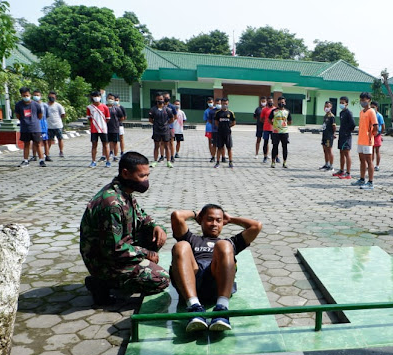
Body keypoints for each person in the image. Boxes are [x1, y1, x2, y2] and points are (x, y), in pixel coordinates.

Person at [80, 151, 170, 305]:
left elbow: (142, 217)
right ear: (126, 173)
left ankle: (129, 273)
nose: (146, 180)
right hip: (104, 260)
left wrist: (156, 226)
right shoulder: (112, 203)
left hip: (118, 250)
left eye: (147, 175)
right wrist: (145, 253)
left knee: (156, 234)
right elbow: (113, 249)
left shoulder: (125, 193)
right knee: (160, 279)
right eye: (142, 176)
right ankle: (102, 283)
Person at [170, 204, 262, 332]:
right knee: (181, 246)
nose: (214, 224)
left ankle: (222, 310)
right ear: (201, 220)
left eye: (218, 220)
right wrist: (196, 214)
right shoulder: (191, 238)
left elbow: (256, 226)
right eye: (209, 219)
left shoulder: (231, 243)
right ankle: (194, 308)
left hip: (217, 282)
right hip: (191, 282)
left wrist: (230, 219)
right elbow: (177, 216)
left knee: (224, 244)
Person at [351, 92, 378, 190]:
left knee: (369, 161)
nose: (362, 102)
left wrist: (372, 135)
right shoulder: (361, 112)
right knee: (362, 160)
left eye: (364, 100)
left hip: (367, 141)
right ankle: (362, 178)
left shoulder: (371, 111)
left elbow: (376, 126)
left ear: (369, 100)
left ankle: (370, 182)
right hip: (361, 140)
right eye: (361, 100)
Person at [15, 87, 44, 168]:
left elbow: (40, 116)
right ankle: (25, 160)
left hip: (35, 128)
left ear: (30, 95)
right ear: (21, 95)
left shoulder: (36, 105)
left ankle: (41, 160)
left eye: (27, 95)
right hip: (25, 128)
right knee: (26, 144)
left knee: (38, 144)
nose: (26, 97)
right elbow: (18, 116)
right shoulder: (18, 105)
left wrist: (34, 121)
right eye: (24, 95)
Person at [149, 92, 175, 168]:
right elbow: (150, 119)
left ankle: (168, 161)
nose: (160, 100)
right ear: (156, 100)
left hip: (165, 130)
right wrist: (156, 124)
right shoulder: (153, 109)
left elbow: (172, 119)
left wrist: (165, 124)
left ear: (163, 99)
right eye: (158, 99)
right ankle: (155, 161)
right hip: (156, 130)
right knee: (156, 146)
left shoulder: (168, 110)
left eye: (161, 99)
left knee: (167, 146)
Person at [87, 90, 111, 168]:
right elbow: (89, 118)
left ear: (100, 97)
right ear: (92, 97)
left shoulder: (105, 107)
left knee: (105, 145)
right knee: (94, 145)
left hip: (103, 129)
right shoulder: (89, 107)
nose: (96, 98)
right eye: (95, 96)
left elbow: (107, 118)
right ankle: (93, 161)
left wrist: (102, 124)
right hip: (94, 129)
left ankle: (108, 161)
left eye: (98, 96)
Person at [334, 96, 354, 179]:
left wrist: (347, 132)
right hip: (341, 135)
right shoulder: (341, 113)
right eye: (340, 102)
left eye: (343, 103)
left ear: (347, 104)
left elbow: (353, 124)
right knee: (341, 153)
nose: (341, 104)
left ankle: (348, 173)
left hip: (346, 136)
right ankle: (341, 170)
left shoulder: (349, 113)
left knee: (346, 153)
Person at [269, 96, 292, 168]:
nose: (281, 103)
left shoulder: (287, 112)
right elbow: (269, 120)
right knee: (275, 147)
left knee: (284, 147)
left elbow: (290, 121)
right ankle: (273, 162)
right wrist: (274, 125)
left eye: (282, 102)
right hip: (275, 132)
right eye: (280, 102)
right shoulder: (274, 111)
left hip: (284, 132)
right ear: (277, 102)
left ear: (285, 103)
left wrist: (285, 124)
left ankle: (284, 162)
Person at [214, 98, 236, 168]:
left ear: (228, 104)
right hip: (220, 133)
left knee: (229, 148)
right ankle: (217, 162)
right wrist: (221, 127)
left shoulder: (230, 113)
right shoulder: (218, 113)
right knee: (219, 148)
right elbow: (216, 122)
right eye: (223, 103)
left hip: (228, 133)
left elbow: (234, 122)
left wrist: (228, 127)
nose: (224, 105)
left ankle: (230, 162)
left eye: (226, 104)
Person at [46, 91, 66, 158]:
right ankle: (47, 152)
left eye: (53, 97)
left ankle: (61, 151)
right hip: (49, 125)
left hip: (58, 125)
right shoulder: (45, 105)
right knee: (49, 140)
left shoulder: (58, 105)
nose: (51, 98)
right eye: (50, 97)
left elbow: (63, 114)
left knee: (60, 139)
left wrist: (58, 119)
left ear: (55, 98)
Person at [33, 90, 51, 163]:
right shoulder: (31, 105)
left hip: (43, 125)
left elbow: (47, 115)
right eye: (35, 95)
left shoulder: (45, 105)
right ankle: (34, 156)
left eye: (37, 95)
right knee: (35, 141)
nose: (36, 96)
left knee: (45, 141)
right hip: (34, 125)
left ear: (41, 96)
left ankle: (47, 155)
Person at [106, 93, 124, 162]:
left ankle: (115, 156)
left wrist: (117, 122)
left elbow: (122, 117)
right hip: (106, 128)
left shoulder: (117, 108)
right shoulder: (105, 107)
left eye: (112, 99)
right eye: (109, 98)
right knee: (107, 142)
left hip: (115, 128)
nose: (110, 100)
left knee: (115, 142)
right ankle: (107, 155)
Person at [320, 101, 336, 171]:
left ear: (331, 107)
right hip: (324, 134)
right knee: (325, 150)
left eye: (328, 106)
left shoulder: (331, 116)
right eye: (325, 106)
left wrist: (334, 133)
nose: (326, 108)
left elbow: (334, 126)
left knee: (329, 150)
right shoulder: (325, 116)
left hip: (329, 135)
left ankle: (331, 166)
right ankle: (326, 164)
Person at [163, 92, 178, 163]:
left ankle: (172, 156)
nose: (167, 98)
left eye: (167, 97)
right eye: (165, 97)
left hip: (170, 127)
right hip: (162, 127)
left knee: (171, 142)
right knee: (162, 142)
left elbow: (175, 117)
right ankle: (162, 156)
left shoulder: (172, 107)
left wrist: (169, 122)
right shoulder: (161, 106)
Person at [260, 96, 274, 163]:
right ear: (267, 102)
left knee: (275, 143)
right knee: (265, 142)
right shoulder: (264, 109)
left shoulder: (275, 109)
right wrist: (266, 122)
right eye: (269, 101)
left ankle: (276, 157)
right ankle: (265, 156)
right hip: (266, 128)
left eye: (271, 101)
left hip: (274, 129)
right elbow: (261, 119)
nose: (270, 102)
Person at [371, 101, 384, 171]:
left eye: (374, 107)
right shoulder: (370, 114)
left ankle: (377, 165)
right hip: (371, 134)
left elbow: (383, 125)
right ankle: (371, 164)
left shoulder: (379, 116)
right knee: (371, 151)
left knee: (377, 151)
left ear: (377, 108)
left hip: (377, 135)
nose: (372, 108)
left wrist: (380, 133)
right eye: (371, 107)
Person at [204, 97, 217, 162]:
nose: (210, 103)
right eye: (209, 102)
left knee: (216, 142)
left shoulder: (216, 110)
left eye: (211, 102)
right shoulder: (206, 111)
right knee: (210, 142)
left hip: (216, 128)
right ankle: (212, 155)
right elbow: (206, 120)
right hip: (209, 128)